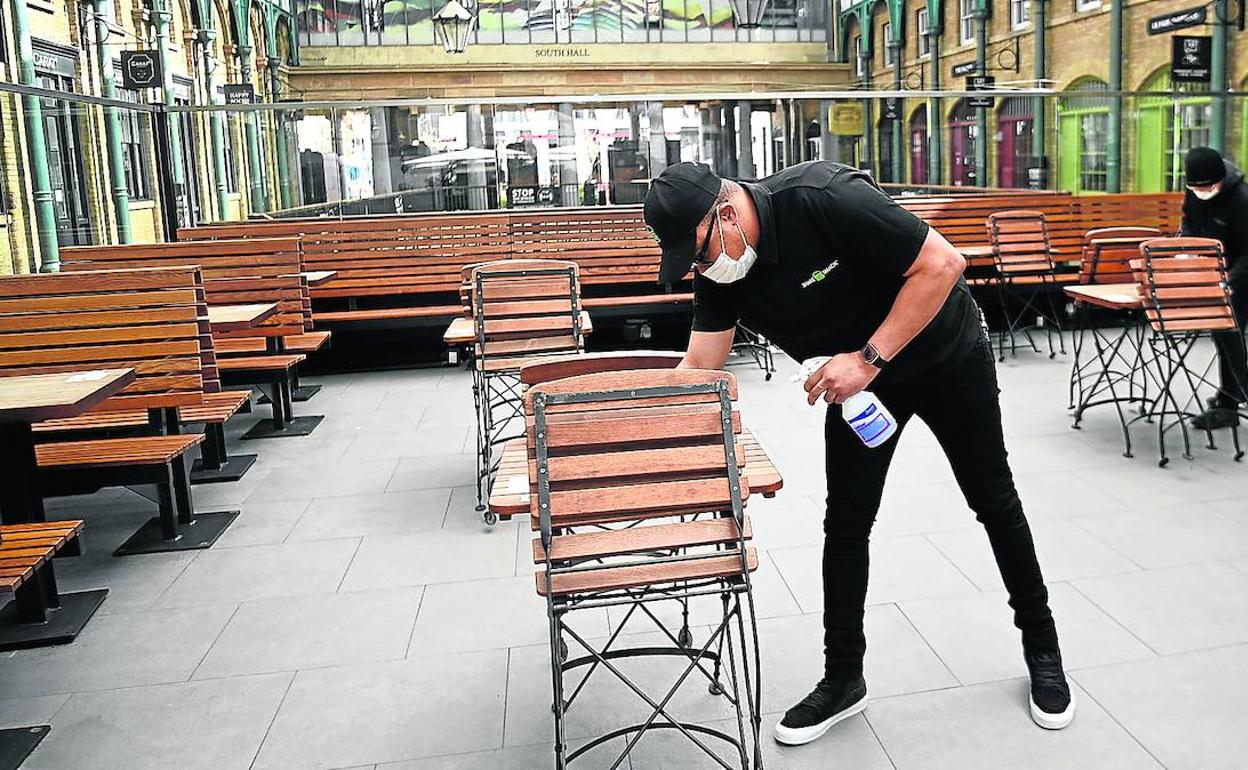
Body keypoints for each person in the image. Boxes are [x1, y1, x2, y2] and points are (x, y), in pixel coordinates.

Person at [643, 161, 1075, 746]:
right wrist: (629, 423)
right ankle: (843, 676)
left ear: (725, 212)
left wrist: (867, 359)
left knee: (993, 501)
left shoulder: (822, 197)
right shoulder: (721, 273)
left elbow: (943, 263)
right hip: (863, 393)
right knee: (846, 525)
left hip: (945, 356)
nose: (702, 269)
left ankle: (1043, 650)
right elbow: (700, 366)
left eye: (698, 253)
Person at [1180, 146, 1248, 430]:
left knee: (1230, 332)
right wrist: (1186, 249)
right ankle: (1232, 393)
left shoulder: (1241, 200)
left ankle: (1230, 404)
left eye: (1206, 188)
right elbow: (1188, 223)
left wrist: (1230, 282)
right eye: (1195, 188)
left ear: (1219, 182)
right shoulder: (1194, 192)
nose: (1201, 192)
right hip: (1215, 272)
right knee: (1223, 335)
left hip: (1239, 272)